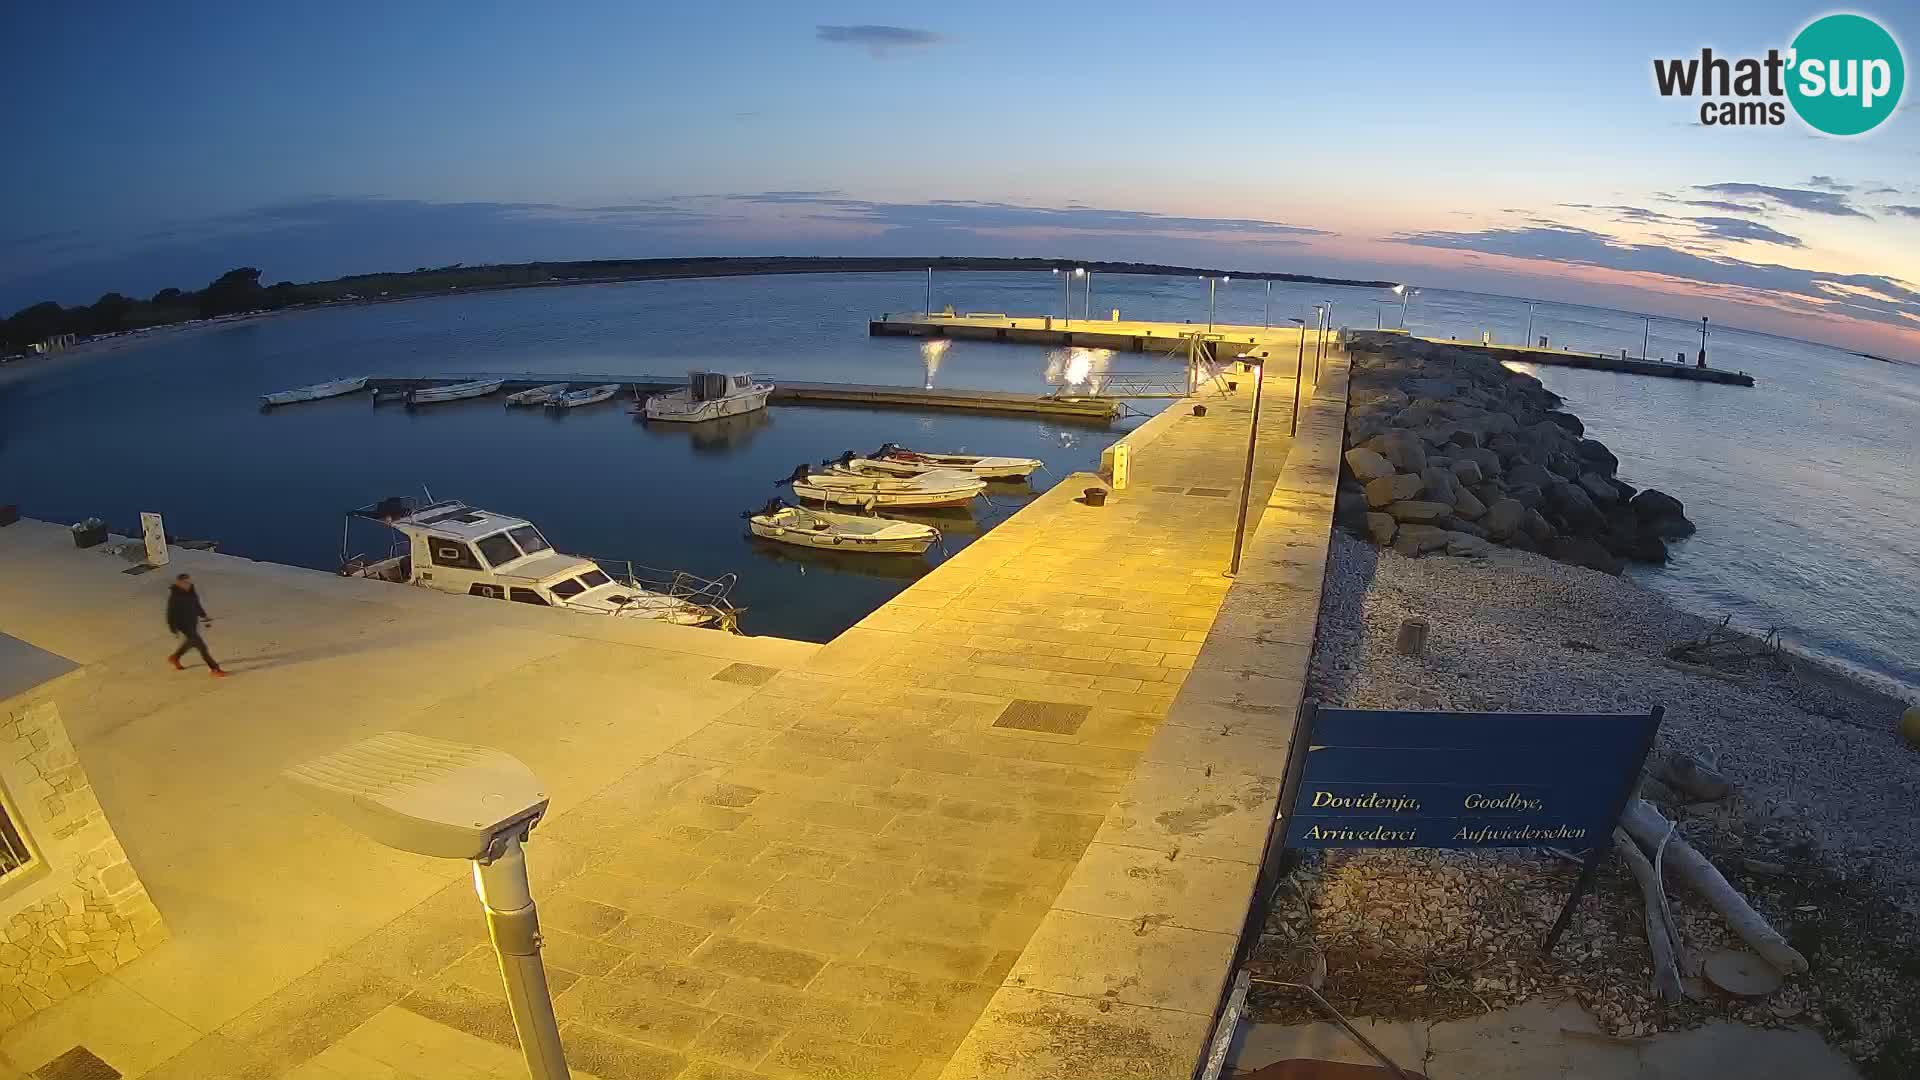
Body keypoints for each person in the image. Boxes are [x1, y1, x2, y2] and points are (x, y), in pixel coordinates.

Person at [165, 573, 226, 677]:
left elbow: (196, 604)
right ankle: (215, 668)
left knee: (191, 642)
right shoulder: (175, 596)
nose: (188, 584)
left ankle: (175, 657)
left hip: (192, 622)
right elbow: (170, 613)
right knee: (202, 647)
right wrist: (173, 628)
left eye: (189, 582)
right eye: (185, 583)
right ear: (179, 583)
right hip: (183, 625)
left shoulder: (191, 591)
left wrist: (204, 616)